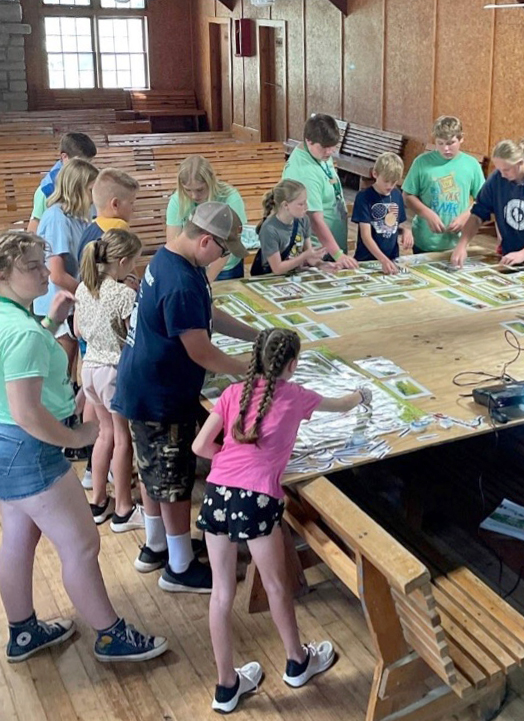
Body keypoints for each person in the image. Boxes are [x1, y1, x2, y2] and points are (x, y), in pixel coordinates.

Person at [0, 231, 167, 663]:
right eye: (33, 267)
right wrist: (78, 438)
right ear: (4, 274)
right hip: (31, 452)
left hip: (5, 450)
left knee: (17, 539)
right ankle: (111, 635)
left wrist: (52, 322)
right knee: (82, 546)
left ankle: (22, 631)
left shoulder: (13, 319)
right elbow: (28, 412)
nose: (46, 273)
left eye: (43, 263)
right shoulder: (24, 334)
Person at [193, 328, 370, 713]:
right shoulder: (295, 396)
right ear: (292, 364)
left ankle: (226, 686)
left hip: (218, 494)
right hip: (258, 499)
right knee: (276, 585)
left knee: (221, 594)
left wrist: (231, 455)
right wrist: (361, 396)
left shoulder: (230, 394)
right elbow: (341, 405)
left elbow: (200, 446)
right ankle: (297, 661)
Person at [111, 203, 259, 593]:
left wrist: (254, 336)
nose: (224, 258)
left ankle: (158, 545)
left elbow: (204, 314)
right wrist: (248, 367)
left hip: (143, 385)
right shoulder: (179, 280)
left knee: (154, 472)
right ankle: (179, 567)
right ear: (205, 240)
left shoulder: (171, 256)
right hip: (160, 393)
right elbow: (201, 350)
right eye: (223, 250)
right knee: (173, 479)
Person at [75, 229, 145, 532]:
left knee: (104, 435)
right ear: (124, 261)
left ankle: (99, 500)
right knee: (122, 438)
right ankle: (124, 508)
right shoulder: (123, 294)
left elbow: (78, 330)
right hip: (114, 371)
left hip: (89, 367)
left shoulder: (83, 288)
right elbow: (136, 336)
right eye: (135, 263)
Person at [450, 139, 524, 268]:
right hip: (512, 255)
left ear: (520, 163)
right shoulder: (497, 178)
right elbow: (478, 214)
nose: (502, 175)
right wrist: (462, 244)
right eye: (499, 169)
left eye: (506, 170)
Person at [34, 158, 99, 369]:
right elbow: (57, 274)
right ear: (77, 188)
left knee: (71, 365)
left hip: (73, 298)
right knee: (60, 366)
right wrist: (93, 294)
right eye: (91, 190)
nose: (94, 197)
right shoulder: (57, 218)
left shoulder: (80, 216)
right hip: (57, 302)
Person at [282, 114, 358, 270]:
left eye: (333, 146)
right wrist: (338, 254)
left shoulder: (319, 153)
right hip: (318, 254)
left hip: (331, 246)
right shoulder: (304, 173)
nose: (330, 152)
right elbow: (315, 220)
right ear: (308, 141)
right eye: (325, 147)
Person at [402, 115, 485, 255]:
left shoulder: (471, 165)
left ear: (461, 139)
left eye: (451, 143)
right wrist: (426, 213)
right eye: (440, 143)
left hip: (457, 243)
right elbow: (407, 195)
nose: (446, 149)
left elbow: (483, 200)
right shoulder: (421, 162)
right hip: (425, 240)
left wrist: (466, 216)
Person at [166, 155, 247, 282]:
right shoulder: (177, 200)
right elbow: (173, 242)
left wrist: (206, 281)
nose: (194, 196)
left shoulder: (230, 197)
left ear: (211, 181)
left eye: (200, 189)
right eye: (188, 190)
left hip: (225, 266)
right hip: (192, 264)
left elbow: (230, 244)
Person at [352, 153, 413, 274]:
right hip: (367, 260)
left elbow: (393, 226)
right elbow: (366, 236)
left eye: (394, 182)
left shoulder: (396, 195)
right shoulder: (364, 197)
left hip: (391, 258)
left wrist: (406, 231)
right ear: (375, 174)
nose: (390, 186)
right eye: (386, 181)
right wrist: (383, 260)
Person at [250, 180, 324, 277]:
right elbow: (277, 269)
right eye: (301, 204)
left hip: (293, 276)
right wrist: (304, 256)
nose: (306, 207)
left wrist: (322, 265)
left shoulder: (303, 219)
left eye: (306, 202)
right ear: (285, 205)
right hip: (271, 278)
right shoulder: (269, 229)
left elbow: (309, 256)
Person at [28, 132, 97, 233]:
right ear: (64, 157)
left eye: (89, 162)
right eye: (80, 163)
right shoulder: (46, 189)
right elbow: (34, 225)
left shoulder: (90, 184)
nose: (86, 168)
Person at [77, 168, 140, 263]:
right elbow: (126, 265)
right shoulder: (118, 227)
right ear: (115, 204)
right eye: (131, 203)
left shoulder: (88, 229)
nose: (134, 208)